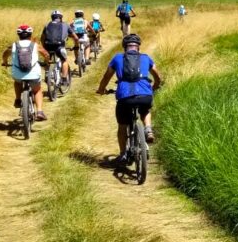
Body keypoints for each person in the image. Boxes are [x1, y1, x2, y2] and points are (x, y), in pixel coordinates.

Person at [96, 34, 162, 164]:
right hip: (144, 95)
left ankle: (123, 155)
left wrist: (101, 89)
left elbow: (106, 76)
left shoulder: (117, 58)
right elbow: (157, 76)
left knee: (122, 126)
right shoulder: (146, 58)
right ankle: (148, 128)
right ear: (138, 47)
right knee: (145, 109)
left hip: (125, 97)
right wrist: (154, 86)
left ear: (125, 47)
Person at [1, 25, 50, 121]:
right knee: (37, 90)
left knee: (17, 81)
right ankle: (39, 111)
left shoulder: (14, 45)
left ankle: (18, 99)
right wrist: (46, 62)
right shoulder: (35, 45)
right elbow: (46, 54)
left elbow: (5, 55)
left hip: (18, 73)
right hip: (33, 73)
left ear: (18, 35)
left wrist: (5, 62)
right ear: (30, 34)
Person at [41, 10, 80, 81]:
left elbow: (42, 38)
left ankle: (47, 73)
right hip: (59, 46)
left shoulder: (47, 25)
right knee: (64, 60)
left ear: (52, 18)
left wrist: (44, 47)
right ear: (61, 17)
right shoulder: (65, 25)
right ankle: (64, 78)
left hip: (48, 46)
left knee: (47, 59)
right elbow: (76, 38)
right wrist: (76, 46)